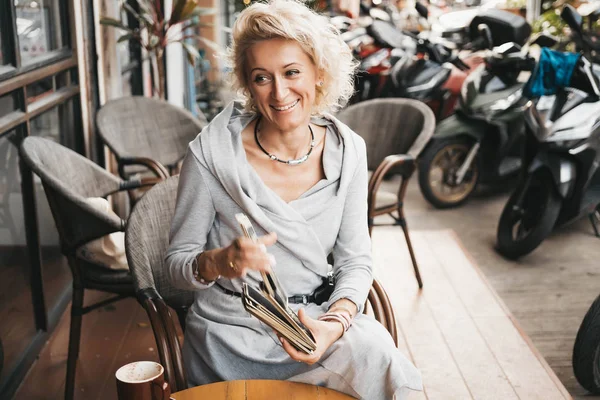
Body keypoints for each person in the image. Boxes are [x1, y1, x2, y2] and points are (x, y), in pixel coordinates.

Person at [165, 0, 422, 398]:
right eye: (262, 77)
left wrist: (334, 323)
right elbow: (174, 267)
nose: (280, 92)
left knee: (387, 368)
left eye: (291, 72)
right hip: (231, 336)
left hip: (316, 326)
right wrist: (219, 261)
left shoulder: (349, 151)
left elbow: (355, 259)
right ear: (248, 85)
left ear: (318, 73)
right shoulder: (210, 157)